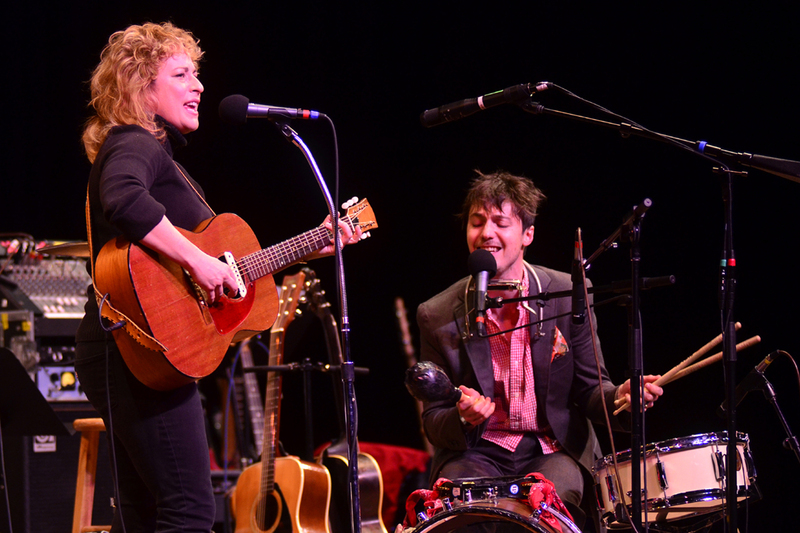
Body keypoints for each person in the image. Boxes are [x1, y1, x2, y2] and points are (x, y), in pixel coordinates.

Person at [75, 22, 359, 533]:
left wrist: (308, 246)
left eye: (196, 74)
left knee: (146, 513)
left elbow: (229, 275)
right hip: (137, 349)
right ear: (142, 87)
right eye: (182, 74)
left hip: (132, 350)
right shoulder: (135, 144)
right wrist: (199, 262)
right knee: (189, 511)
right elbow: (123, 199)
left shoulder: (161, 157)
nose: (199, 86)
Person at [416, 170, 663, 531]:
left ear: (528, 234)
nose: (486, 233)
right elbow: (433, 420)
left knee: (543, 511)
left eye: (501, 222)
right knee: (461, 515)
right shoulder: (436, 313)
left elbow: (591, 389)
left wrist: (621, 397)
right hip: (476, 452)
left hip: (551, 449)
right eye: (477, 222)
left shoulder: (566, 293)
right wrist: (462, 418)